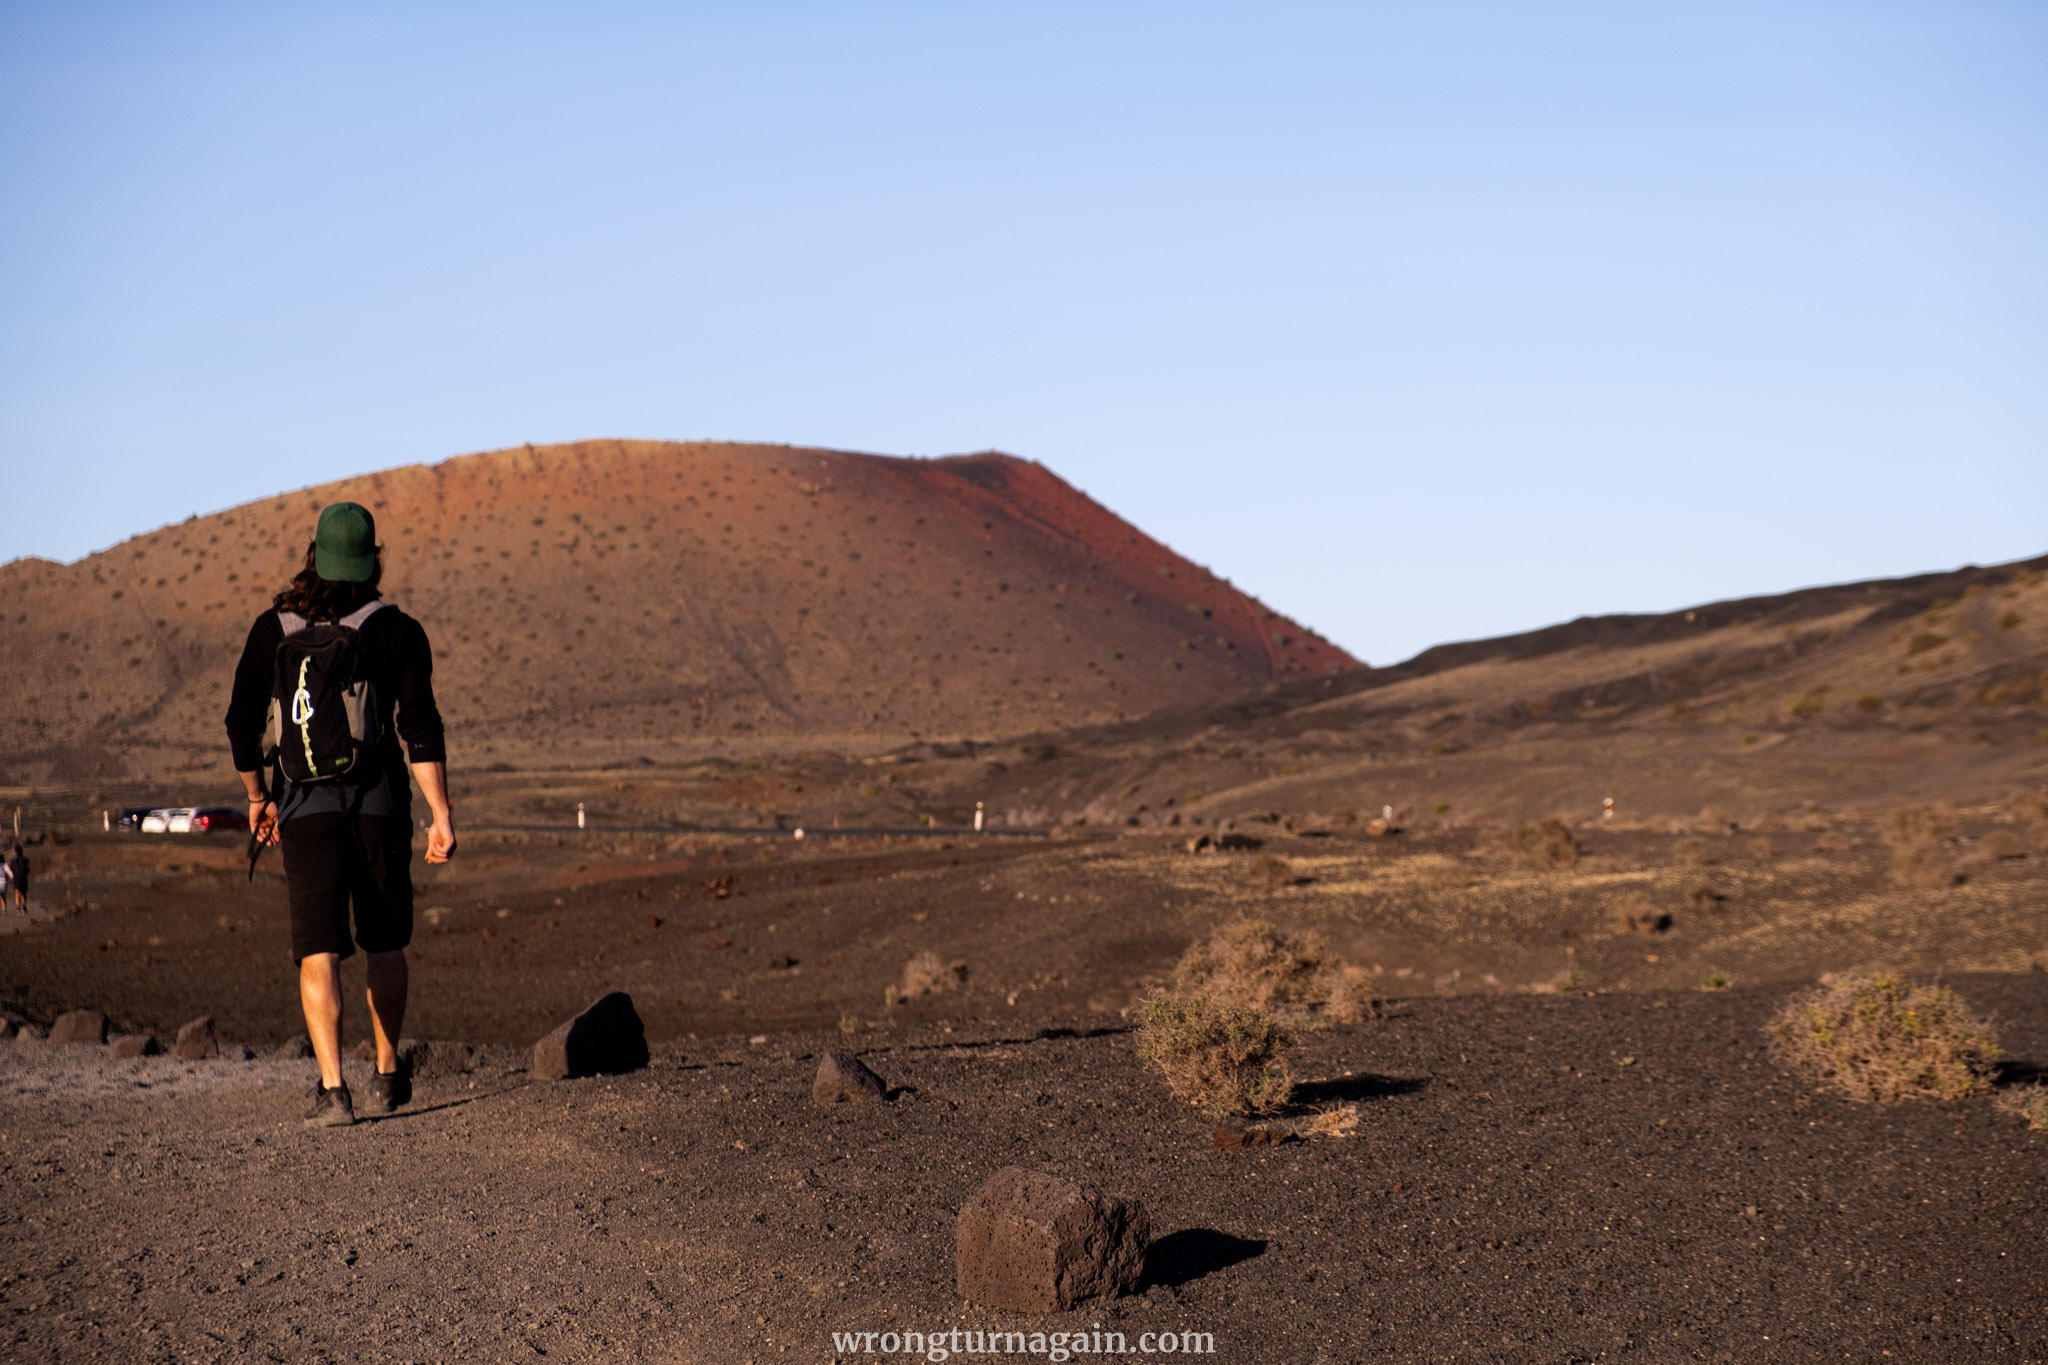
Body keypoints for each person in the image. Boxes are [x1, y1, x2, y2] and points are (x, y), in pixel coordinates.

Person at [224, 501, 456, 1128]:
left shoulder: (273, 629)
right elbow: (420, 728)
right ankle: (385, 1074)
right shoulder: (397, 629)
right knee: (385, 942)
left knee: (318, 950)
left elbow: (242, 726)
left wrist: (257, 797)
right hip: (379, 807)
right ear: (372, 558)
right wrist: (440, 813)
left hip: (302, 811)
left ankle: (333, 1091)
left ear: (314, 554)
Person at [4, 845, 26, 913]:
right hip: (21, 877)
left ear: (15, 852)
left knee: (17, 892)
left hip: (16, 878)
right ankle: (23, 907)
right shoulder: (24, 859)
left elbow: (10, 869)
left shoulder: (13, 860)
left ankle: (18, 907)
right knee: (22, 892)